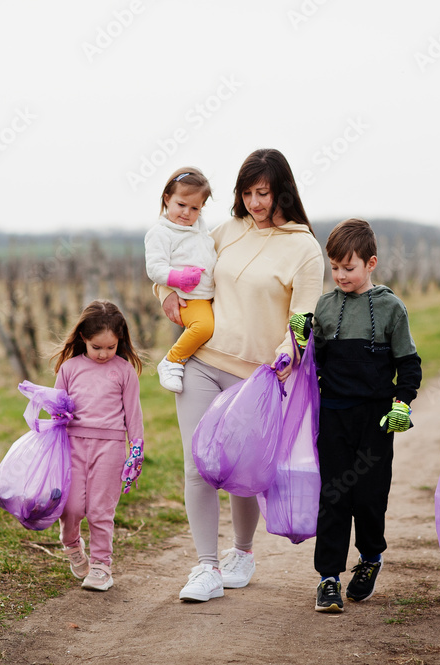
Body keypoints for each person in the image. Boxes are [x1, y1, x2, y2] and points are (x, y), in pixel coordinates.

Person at [157, 148, 325, 602]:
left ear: (282, 191)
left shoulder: (304, 248)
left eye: (263, 193)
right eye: (247, 193)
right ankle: (206, 567)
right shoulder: (227, 231)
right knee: (198, 464)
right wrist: (163, 291)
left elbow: (303, 317)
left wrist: (287, 355)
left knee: (239, 469)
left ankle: (243, 553)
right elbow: (180, 258)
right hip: (201, 363)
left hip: (255, 378)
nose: (254, 203)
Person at [289, 218, 422, 613]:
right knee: (333, 496)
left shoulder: (391, 308)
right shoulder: (325, 306)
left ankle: (370, 558)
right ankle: (328, 578)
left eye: (348, 267)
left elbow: (409, 364)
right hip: (333, 417)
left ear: (371, 263)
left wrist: (402, 404)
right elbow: (314, 364)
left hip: (376, 420)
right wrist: (303, 338)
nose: (340, 275)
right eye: (334, 267)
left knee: (368, 497)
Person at [50, 300, 145, 592]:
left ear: (120, 341)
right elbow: (56, 409)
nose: (104, 354)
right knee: (71, 507)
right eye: (96, 347)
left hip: (111, 448)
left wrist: (136, 450)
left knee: (100, 510)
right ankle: (71, 545)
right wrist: (56, 420)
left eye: (111, 347)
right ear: (83, 338)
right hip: (72, 445)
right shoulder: (69, 369)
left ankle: (102, 566)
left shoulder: (125, 371)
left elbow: (134, 413)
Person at [144, 168, 217, 393]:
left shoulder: (199, 228)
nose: (187, 213)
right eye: (181, 204)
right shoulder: (161, 233)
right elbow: (154, 268)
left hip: (207, 295)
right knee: (204, 327)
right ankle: (172, 361)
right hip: (189, 298)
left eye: (195, 208)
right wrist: (178, 278)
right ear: (167, 199)